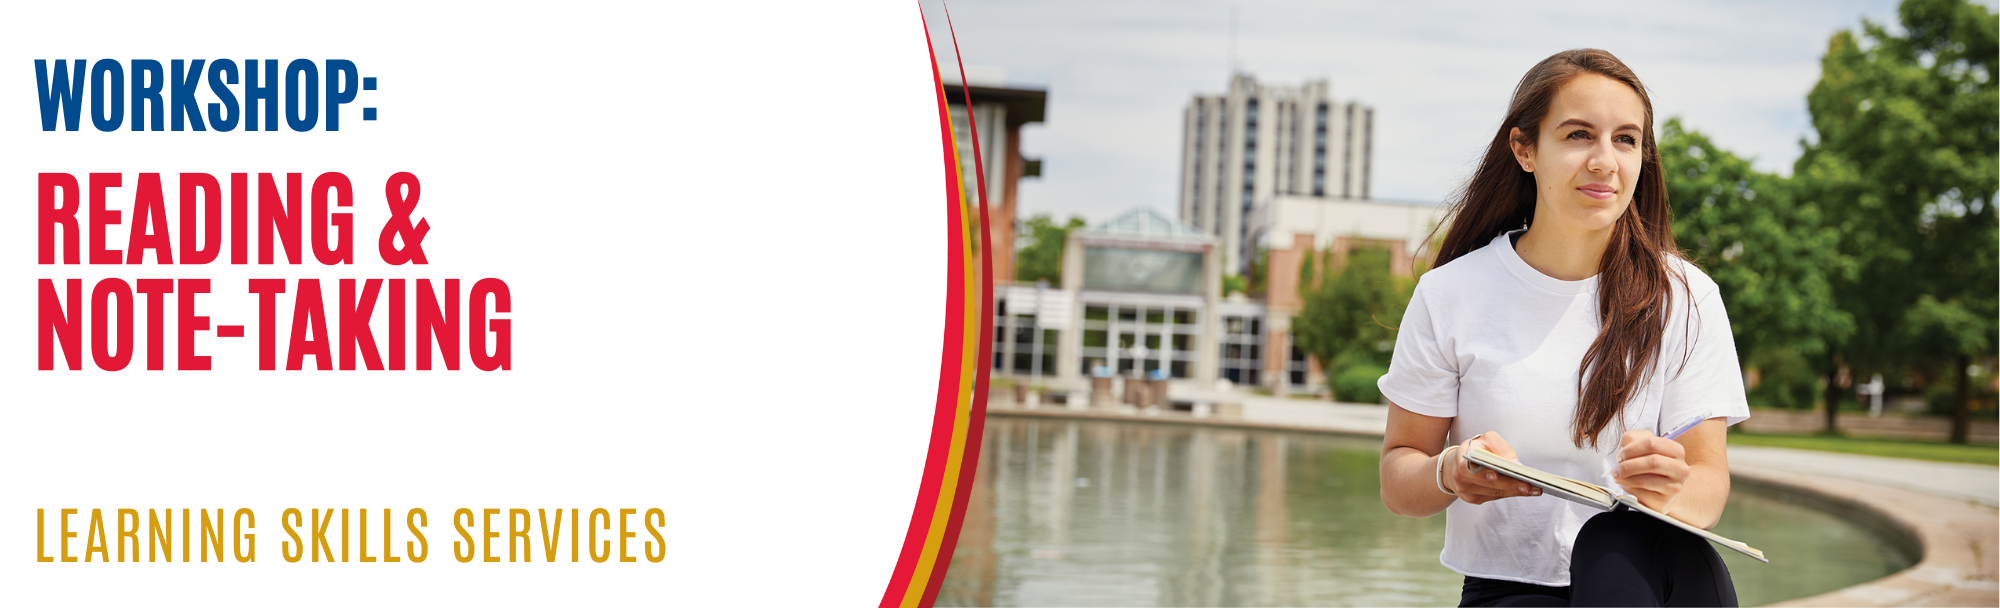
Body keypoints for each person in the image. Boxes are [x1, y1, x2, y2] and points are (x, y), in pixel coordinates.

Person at [1376, 49, 1751, 607]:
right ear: (1524, 149)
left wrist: (1672, 486)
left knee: (1615, 536)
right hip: (1510, 588)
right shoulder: (1450, 294)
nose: (1606, 161)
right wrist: (1450, 472)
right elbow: (1398, 478)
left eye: (1626, 140)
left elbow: (1707, 490)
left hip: (1657, 576)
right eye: (1579, 135)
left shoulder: (1687, 297)